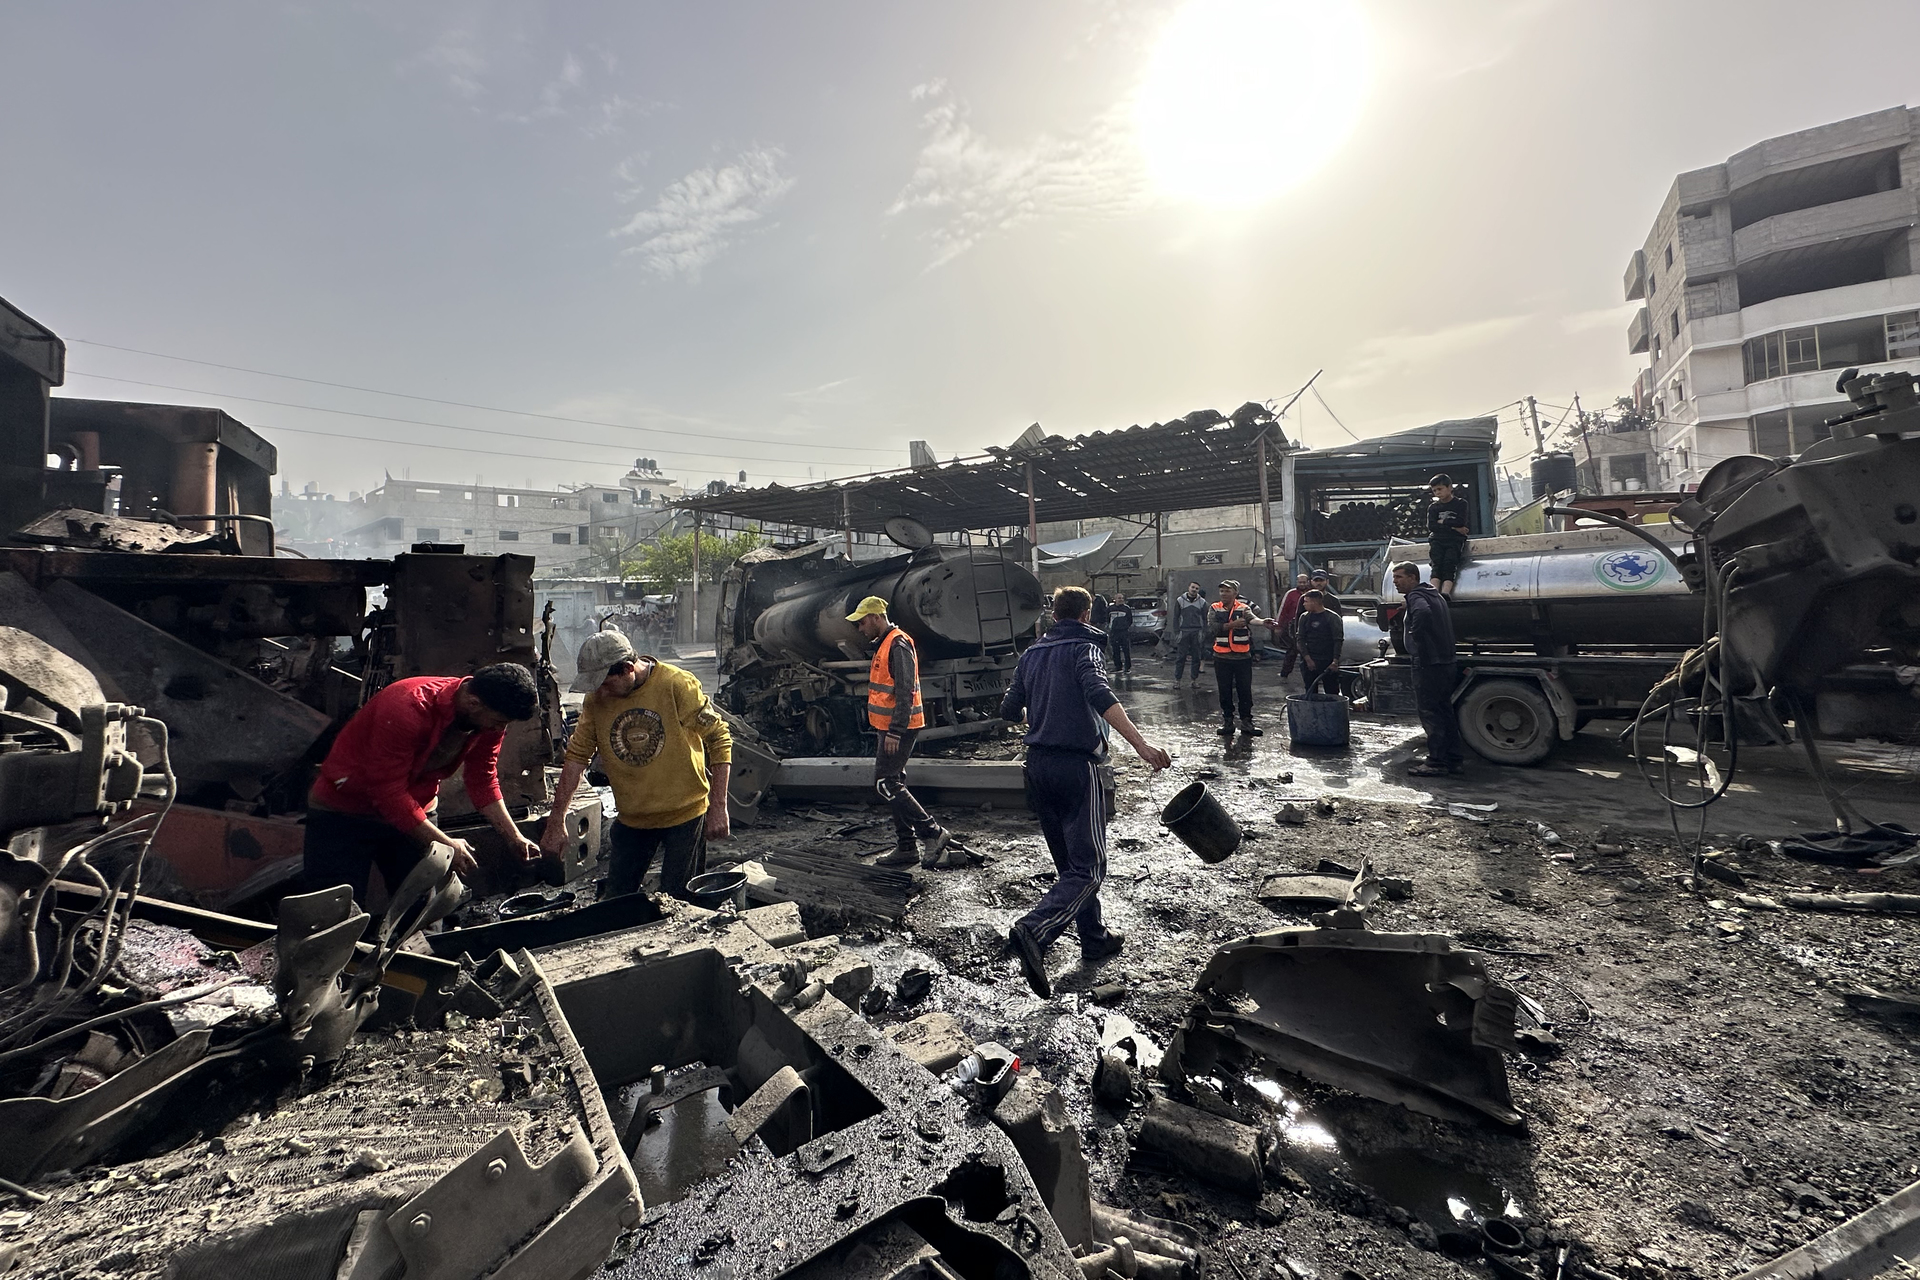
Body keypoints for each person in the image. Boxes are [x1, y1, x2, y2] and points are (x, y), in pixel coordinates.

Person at [1000, 587, 1171, 999]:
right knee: (1089, 868)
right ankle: (1033, 930)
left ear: (1054, 614)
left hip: (1038, 768)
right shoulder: (1085, 647)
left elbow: (1008, 711)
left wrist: (1040, 712)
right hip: (1078, 768)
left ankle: (1094, 937)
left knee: (1070, 867)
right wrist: (1142, 746)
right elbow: (1100, 694)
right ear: (1087, 612)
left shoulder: (1032, 653)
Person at [305, 664, 542, 907]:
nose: (499, 730)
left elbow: (483, 779)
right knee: (333, 913)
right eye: (498, 722)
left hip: (416, 809)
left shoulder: (487, 717)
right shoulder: (406, 707)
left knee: (423, 911)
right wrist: (445, 843)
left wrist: (514, 837)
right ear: (473, 703)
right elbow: (387, 792)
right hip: (344, 812)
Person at [542, 629, 731, 900]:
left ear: (628, 669)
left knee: (678, 901)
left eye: (606, 683)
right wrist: (556, 820)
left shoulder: (676, 684)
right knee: (616, 900)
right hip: (632, 819)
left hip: (685, 816)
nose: (601, 692)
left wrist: (719, 807)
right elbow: (576, 758)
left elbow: (719, 739)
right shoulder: (597, 699)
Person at [848, 596, 965, 869]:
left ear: (877, 617)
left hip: (897, 728)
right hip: (887, 727)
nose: (860, 628)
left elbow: (905, 690)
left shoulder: (898, 643)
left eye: (862, 622)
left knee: (886, 783)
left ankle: (932, 832)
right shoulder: (886, 643)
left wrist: (896, 731)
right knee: (893, 783)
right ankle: (906, 847)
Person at [1391, 561, 1463, 776]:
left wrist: (1415, 637)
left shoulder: (1416, 597)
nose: (1395, 582)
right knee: (1445, 711)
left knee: (1430, 713)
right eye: (1394, 577)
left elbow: (1422, 613)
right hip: (1445, 662)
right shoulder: (1433, 594)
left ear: (1413, 577)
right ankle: (1453, 760)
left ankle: (1436, 763)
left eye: (1400, 577)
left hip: (1428, 663)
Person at [1208, 580, 1267, 737]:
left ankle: (1247, 723)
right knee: (1225, 691)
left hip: (1242, 657)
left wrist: (1263, 622)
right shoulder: (1214, 608)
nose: (1223, 594)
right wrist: (1232, 625)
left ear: (1235, 593)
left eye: (1227, 591)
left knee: (1245, 691)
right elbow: (1213, 628)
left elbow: (1252, 619)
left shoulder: (1243, 608)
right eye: (1222, 591)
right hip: (1222, 657)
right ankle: (1228, 722)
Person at [1426, 474, 1473, 599]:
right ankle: (1434, 593)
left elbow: (1461, 522)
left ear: (1450, 487)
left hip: (1454, 540)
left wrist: (1443, 522)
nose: (1437, 493)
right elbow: (1432, 526)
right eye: (1434, 490)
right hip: (1437, 540)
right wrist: (1453, 527)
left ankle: (1445, 593)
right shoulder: (1433, 507)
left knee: (1449, 564)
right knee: (1436, 565)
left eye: (1440, 489)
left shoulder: (1460, 504)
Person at [1294, 589, 1345, 696]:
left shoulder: (1332, 617)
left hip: (1328, 661)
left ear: (1314, 602)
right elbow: (1300, 639)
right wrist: (1307, 659)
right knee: (1310, 692)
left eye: (1306, 601)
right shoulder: (1304, 617)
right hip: (1309, 661)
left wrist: (1335, 661)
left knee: (1332, 692)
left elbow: (1338, 640)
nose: (1304, 604)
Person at [1169, 581, 1209, 684]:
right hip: (1184, 631)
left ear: (1198, 590)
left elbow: (1205, 619)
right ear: (1189, 587)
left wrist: (1203, 632)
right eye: (1193, 587)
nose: (1194, 589)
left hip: (1197, 632)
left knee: (1196, 657)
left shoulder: (1202, 602)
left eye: (1196, 588)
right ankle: (1177, 680)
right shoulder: (1180, 600)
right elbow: (1175, 618)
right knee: (1181, 657)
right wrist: (1176, 632)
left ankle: (1193, 680)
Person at [1274, 572, 1310, 678]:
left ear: (1308, 582)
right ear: (1296, 582)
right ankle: (1285, 673)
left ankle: (1313, 673)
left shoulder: (1313, 594)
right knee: (1292, 650)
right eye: (1300, 582)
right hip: (1293, 627)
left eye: (1304, 582)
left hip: (1310, 627)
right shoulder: (1291, 594)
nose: (1302, 584)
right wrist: (1278, 625)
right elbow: (1283, 610)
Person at [1106, 593, 1135, 673]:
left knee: (1126, 650)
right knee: (1115, 650)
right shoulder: (1110, 608)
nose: (1121, 599)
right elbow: (1107, 619)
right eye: (1119, 598)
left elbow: (1130, 620)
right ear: (1115, 599)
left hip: (1124, 632)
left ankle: (1127, 667)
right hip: (1114, 632)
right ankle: (1118, 666)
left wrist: (1125, 626)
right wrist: (1111, 627)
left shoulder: (1127, 609)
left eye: (1122, 598)